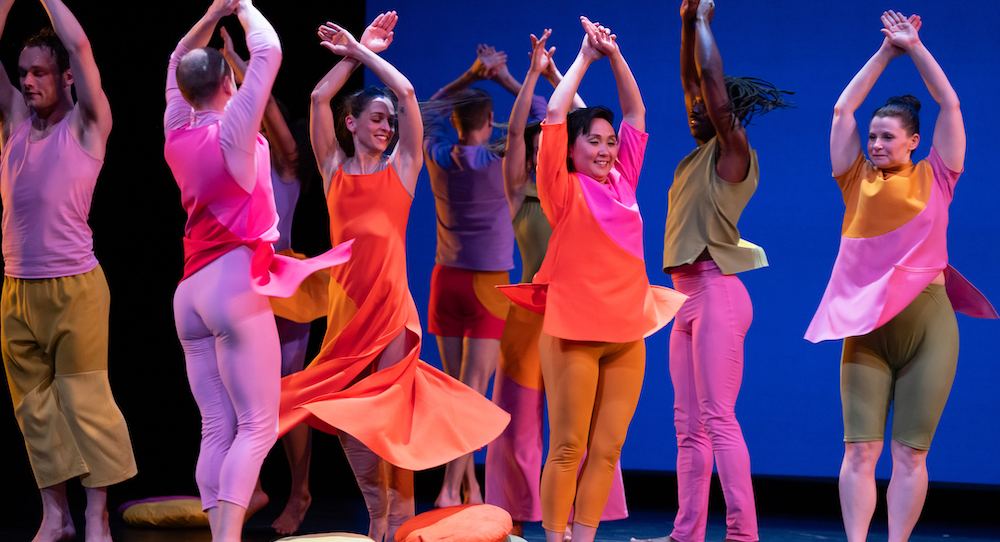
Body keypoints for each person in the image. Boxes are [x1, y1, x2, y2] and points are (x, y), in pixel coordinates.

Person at [277, 12, 509, 542]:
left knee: (392, 412)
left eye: (389, 122)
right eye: (375, 119)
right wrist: (351, 58)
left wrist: (362, 51)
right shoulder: (334, 169)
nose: (386, 126)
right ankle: (378, 509)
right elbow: (317, 100)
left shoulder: (401, 169)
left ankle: (399, 521)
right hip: (346, 312)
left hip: (391, 309)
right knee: (353, 418)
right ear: (351, 123)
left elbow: (405, 91)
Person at [805, 10, 996, 542]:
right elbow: (843, 108)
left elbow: (950, 104)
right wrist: (886, 53)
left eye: (888, 136)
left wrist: (914, 47)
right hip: (866, 329)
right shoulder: (854, 178)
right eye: (873, 136)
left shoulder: (939, 174)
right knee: (859, 449)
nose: (876, 144)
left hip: (928, 327)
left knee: (910, 453)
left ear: (914, 141)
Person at [164, 1, 350, 540]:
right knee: (257, 425)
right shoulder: (232, 131)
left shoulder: (177, 127)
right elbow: (268, 50)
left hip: (190, 292)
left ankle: (219, 532)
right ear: (227, 82)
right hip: (233, 283)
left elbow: (179, 54)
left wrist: (209, 12)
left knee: (216, 425)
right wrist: (240, 6)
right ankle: (227, 538)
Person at [499, 17, 686, 542]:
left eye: (609, 142)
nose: (604, 150)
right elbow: (556, 112)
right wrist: (583, 56)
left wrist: (615, 54)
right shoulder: (561, 188)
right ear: (572, 151)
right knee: (567, 446)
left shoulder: (624, 181)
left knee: (607, 449)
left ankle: (585, 537)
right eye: (594, 143)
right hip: (573, 332)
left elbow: (634, 112)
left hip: (627, 332)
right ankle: (554, 537)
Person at [649, 2, 792, 541]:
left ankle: (741, 534)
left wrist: (705, 22)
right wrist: (686, 21)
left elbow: (708, 80)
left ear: (725, 109)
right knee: (688, 427)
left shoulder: (733, 151)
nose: (694, 107)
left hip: (717, 293)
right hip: (682, 296)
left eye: (705, 106)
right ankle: (685, 534)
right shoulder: (697, 153)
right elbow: (694, 79)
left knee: (718, 418)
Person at [0, 1, 136, 540]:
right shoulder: (13, 123)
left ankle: (96, 515)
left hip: (75, 287)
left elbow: (80, 47)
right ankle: (55, 516)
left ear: (65, 79)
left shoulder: (86, 125)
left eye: (39, 72)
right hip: (16, 288)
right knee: (35, 410)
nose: (28, 81)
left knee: (86, 404)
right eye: (23, 73)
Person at [485, 29, 628, 538]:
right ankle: (521, 517)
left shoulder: (593, 188)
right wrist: (527, 77)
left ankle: (583, 520)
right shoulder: (530, 190)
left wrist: (561, 70)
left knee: (590, 435)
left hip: (592, 312)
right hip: (534, 316)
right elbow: (546, 127)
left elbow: (598, 130)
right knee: (523, 427)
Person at [423, 41, 545, 507]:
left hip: (445, 281)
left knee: (456, 387)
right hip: (489, 287)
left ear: (456, 122)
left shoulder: (438, 154)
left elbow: (428, 107)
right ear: (491, 122)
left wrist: (468, 77)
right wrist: (508, 79)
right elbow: (536, 116)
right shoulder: (499, 162)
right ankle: (450, 489)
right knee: (473, 392)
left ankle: (469, 485)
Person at [219, 25, 314, 535]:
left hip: (281, 284)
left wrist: (239, 60)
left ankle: (299, 492)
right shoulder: (235, 153)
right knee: (239, 392)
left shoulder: (284, 161)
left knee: (284, 394)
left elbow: (272, 116)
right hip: (239, 283)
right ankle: (251, 485)